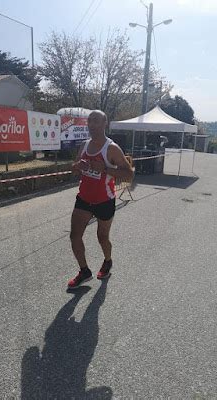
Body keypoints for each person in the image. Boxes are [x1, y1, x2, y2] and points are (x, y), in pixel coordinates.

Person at [68, 110, 134, 289]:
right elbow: (75, 169)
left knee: (102, 237)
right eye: (90, 121)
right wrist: (77, 167)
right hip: (84, 199)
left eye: (96, 121)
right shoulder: (83, 146)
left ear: (105, 123)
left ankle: (107, 261)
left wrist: (105, 169)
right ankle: (84, 271)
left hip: (105, 200)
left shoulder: (112, 148)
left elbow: (128, 175)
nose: (92, 125)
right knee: (74, 236)